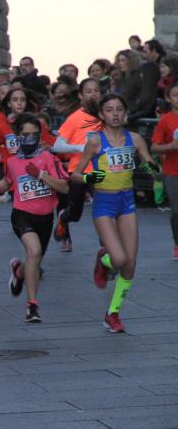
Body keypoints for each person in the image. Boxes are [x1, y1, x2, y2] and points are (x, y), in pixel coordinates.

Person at [72, 94, 160, 333]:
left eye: (119, 109)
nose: (115, 114)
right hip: (104, 202)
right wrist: (91, 177)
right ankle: (104, 260)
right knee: (118, 259)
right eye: (109, 110)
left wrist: (154, 170)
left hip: (127, 201)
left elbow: (147, 163)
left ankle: (113, 314)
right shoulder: (95, 142)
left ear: (125, 112)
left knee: (130, 264)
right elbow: (75, 174)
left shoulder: (135, 139)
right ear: (102, 114)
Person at [0, 113, 68, 322]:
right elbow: (8, 180)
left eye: (34, 134)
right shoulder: (13, 161)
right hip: (22, 215)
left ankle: (19, 270)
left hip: (45, 217)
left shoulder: (48, 158)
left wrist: (41, 175)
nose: (29, 139)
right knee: (33, 251)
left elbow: (65, 186)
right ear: (17, 136)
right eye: (25, 135)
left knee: (35, 257)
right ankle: (32, 305)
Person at [52, 78, 102, 253]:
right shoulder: (75, 118)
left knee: (103, 208)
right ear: (81, 95)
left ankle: (107, 246)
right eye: (88, 91)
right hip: (78, 170)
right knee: (75, 213)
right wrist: (80, 147)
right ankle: (63, 218)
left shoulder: (106, 114)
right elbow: (57, 145)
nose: (93, 94)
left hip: (101, 170)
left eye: (96, 90)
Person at [151, 82, 178, 260]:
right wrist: (171, 146)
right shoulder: (166, 120)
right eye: (176, 95)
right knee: (176, 211)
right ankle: (177, 242)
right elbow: (154, 146)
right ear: (169, 98)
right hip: (172, 171)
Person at [131, 39, 164, 123]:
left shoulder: (164, 64)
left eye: (146, 52)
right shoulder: (150, 65)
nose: (144, 55)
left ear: (154, 51)